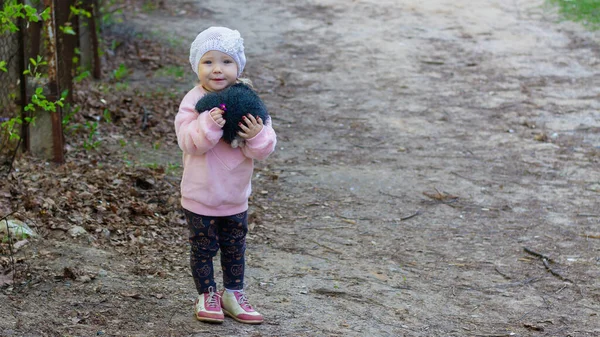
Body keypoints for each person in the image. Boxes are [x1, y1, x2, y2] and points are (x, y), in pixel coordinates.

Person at [174, 26, 277, 324]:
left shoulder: (248, 100)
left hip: (235, 196)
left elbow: (263, 148)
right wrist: (208, 125)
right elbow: (188, 142)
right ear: (197, 66)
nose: (217, 69)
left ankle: (233, 293)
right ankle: (207, 294)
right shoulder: (193, 101)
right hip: (200, 194)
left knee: (235, 247)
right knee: (203, 247)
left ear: (238, 66)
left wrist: (256, 136)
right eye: (208, 62)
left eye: (226, 62)